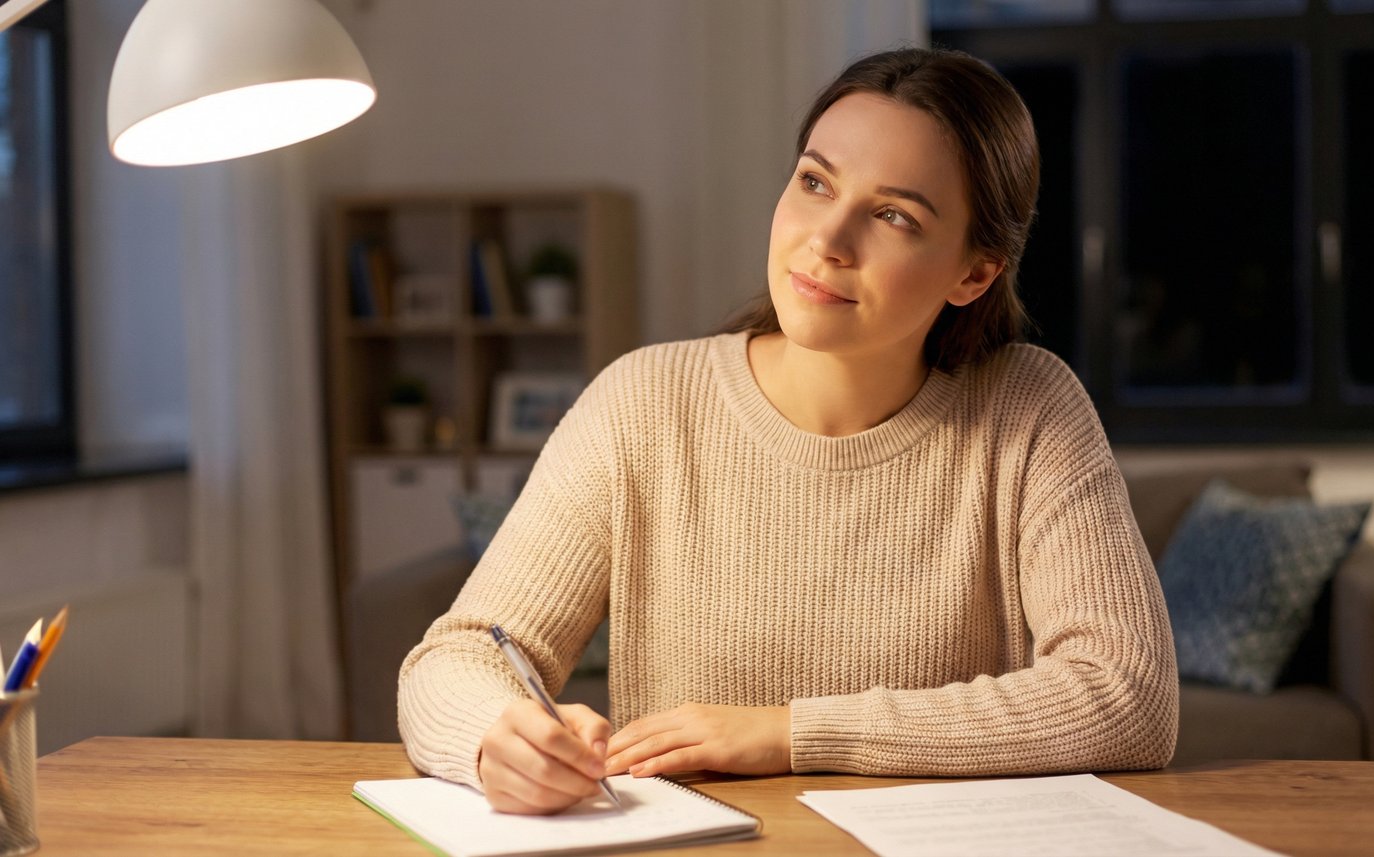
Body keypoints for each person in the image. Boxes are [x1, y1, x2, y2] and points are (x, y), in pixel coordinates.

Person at [398, 46, 1178, 817]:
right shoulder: (643, 404)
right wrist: (495, 738)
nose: (827, 239)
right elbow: (459, 655)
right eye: (815, 182)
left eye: (893, 215)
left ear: (974, 273)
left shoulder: (1030, 409)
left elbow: (1128, 694)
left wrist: (790, 733)